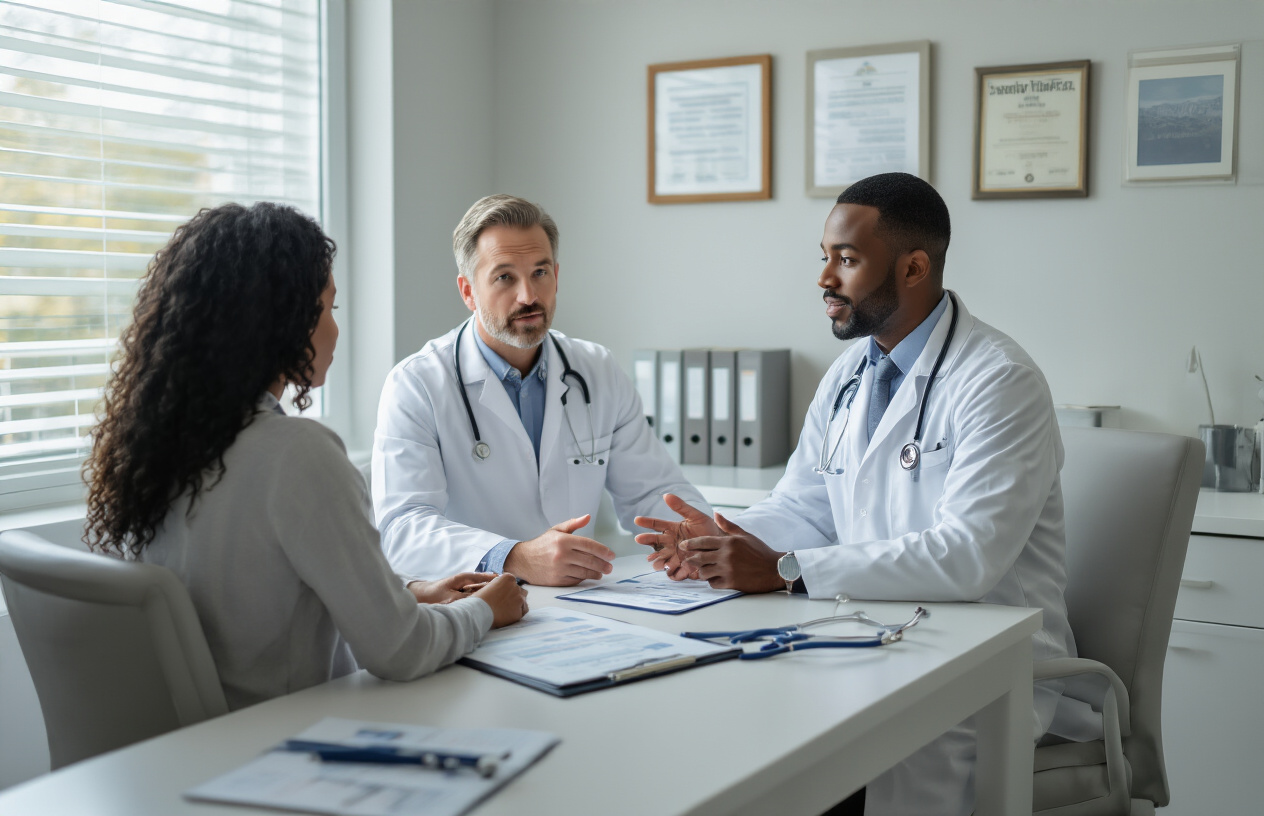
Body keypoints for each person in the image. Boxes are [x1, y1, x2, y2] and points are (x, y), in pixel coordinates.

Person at [636, 173, 1092, 816]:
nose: (825, 279)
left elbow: (968, 557)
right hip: (867, 635)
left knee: (871, 772)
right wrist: (726, 541)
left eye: (846, 260)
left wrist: (785, 571)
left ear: (913, 267)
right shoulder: (850, 373)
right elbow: (805, 505)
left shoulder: (998, 380)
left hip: (982, 665)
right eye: (824, 257)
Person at [83, 202, 527, 711]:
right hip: (285, 742)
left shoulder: (164, 449)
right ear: (281, 321)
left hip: (195, 752)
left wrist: (408, 592)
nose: (335, 329)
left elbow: (265, 590)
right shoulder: (297, 453)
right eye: (328, 309)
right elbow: (401, 651)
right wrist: (485, 611)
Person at [372, 194, 710, 586]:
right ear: (468, 292)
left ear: (557, 275)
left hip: (579, 607)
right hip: (475, 608)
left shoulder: (596, 369)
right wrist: (513, 557)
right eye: (504, 277)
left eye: (540, 272)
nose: (528, 296)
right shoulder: (417, 384)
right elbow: (403, 529)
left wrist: (693, 537)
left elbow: (653, 490)